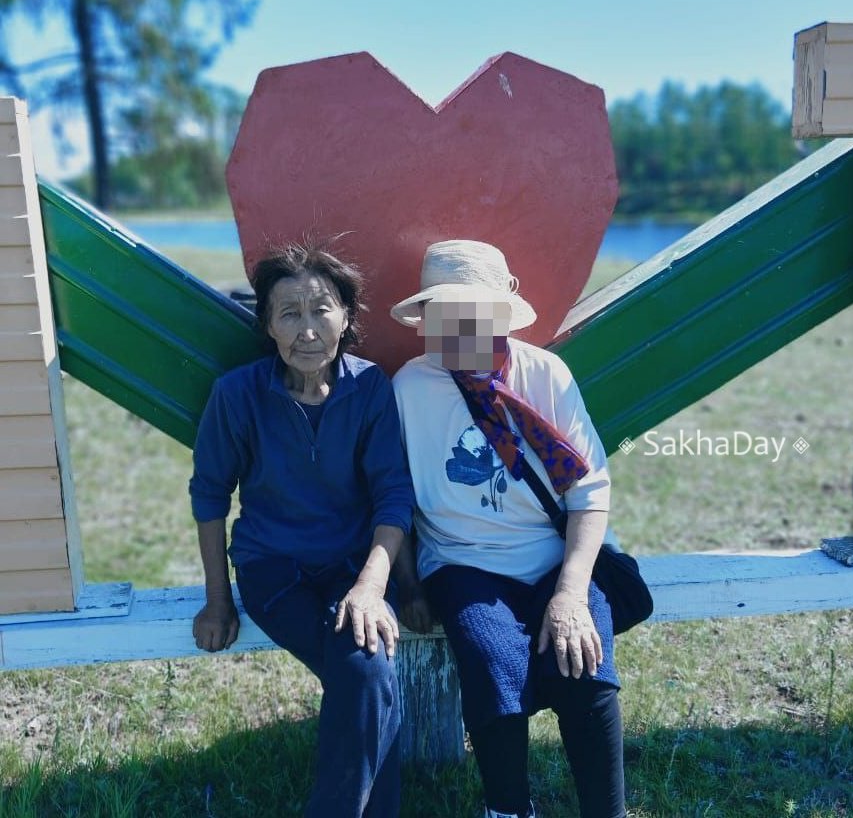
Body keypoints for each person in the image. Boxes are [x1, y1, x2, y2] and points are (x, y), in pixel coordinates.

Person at [391, 240, 625, 818]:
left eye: (473, 315)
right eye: (443, 316)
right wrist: (410, 586)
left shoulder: (545, 374)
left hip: (552, 557)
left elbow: (589, 491)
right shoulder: (408, 388)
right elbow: (391, 497)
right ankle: (508, 809)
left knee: (585, 663)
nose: (457, 329)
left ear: (500, 316)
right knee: (491, 659)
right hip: (463, 561)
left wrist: (570, 593)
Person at [189, 239, 414, 818]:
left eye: (321, 310)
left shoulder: (371, 389)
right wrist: (219, 603)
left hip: (354, 566)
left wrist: (371, 588)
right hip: (274, 571)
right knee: (368, 677)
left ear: (346, 318)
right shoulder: (236, 395)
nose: (307, 329)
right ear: (267, 324)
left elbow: (393, 497)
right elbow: (210, 496)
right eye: (289, 313)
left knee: (366, 673)